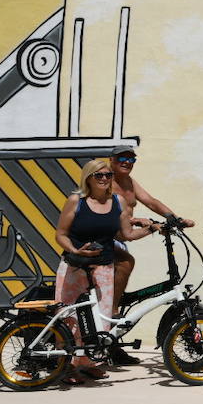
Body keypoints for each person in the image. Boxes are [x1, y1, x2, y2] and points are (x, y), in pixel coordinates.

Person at [55, 158, 154, 381]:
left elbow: (126, 234)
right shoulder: (76, 201)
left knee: (100, 319)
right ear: (88, 178)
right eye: (98, 175)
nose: (104, 179)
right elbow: (60, 234)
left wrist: (151, 229)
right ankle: (66, 366)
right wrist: (76, 250)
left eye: (107, 175)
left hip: (103, 268)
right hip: (75, 267)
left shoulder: (117, 201)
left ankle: (88, 362)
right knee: (69, 316)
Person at [107, 144, 192, 365]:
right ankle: (112, 313)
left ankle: (112, 345)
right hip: (107, 239)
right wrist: (134, 221)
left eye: (131, 159)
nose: (126, 162)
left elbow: (151, 201)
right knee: (126, 265)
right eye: (121, 159)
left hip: (123, 239)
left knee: (120, 287)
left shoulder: (129, 183)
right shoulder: (104, 181)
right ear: (111, 160)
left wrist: (174, 218)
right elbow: (103, 208)